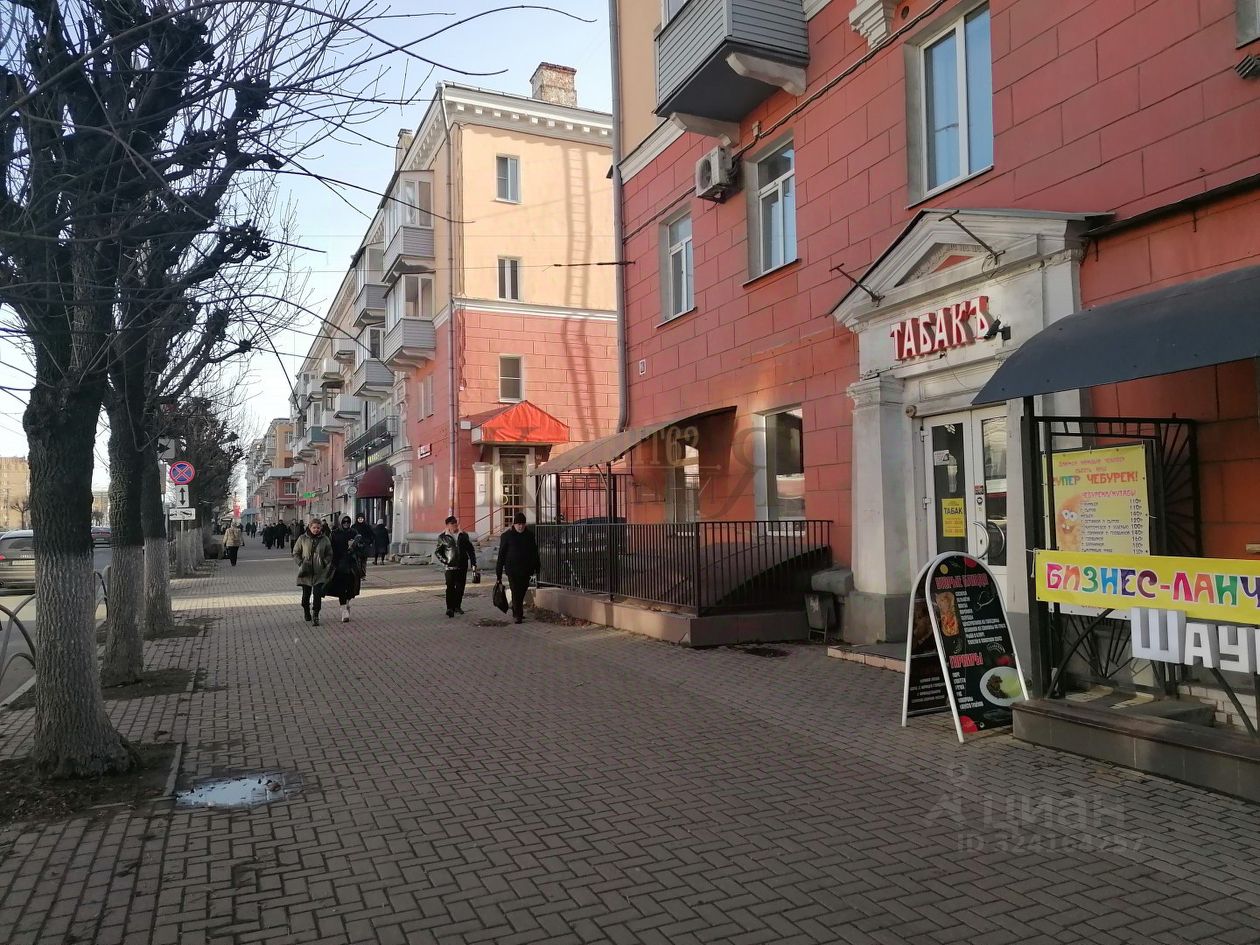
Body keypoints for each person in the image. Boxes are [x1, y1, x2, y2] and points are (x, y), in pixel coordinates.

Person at [496, 512, 540, 624]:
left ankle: (516, 609)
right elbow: (501, 555)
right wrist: (498, 573)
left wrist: (537, 567)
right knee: (515, 591)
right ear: (514, 524)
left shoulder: (529, 536)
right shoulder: (507, 536)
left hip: (526, 569)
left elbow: (534, 552)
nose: (520, 526)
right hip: (512, 570)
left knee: (522, 591)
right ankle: (518, 615)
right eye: (518, 524)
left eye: (522, 524)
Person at [435, 515, 478, 618]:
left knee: (460, 587)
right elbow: (438, 552)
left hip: (462, 565)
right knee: (450, 587)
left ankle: (457, 606)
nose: (455, 525)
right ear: (447, 525)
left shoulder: (463, 535)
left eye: (456, 523)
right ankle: (449, 608)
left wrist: (473, 563)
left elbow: (470, 550)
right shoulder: (443, 537)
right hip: (450, 567)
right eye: (452, 523)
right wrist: (445, 561)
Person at [293, 519, 333, 625]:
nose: (316, 530)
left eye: (318, 528)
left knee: (317, 595)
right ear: (310, 527)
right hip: (306, 571)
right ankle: (306, 610)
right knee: (305, 596)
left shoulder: (325, 539)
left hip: (319, 572)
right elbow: (296, 552)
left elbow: (329, 553)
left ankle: (316, 615)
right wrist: (301, 563)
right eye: (314, 527)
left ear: (321, 528)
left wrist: (324, 562)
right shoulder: (302, 538)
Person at [325, 515, 365, 623]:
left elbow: (361, 547)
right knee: (341, 588)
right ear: (340, 522)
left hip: (352, 564)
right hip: (339, 565)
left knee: (352, 587)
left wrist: (355, 546)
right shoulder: (334, 533)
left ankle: (347, 603)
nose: (346, 524)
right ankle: (343, 609)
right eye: (344, 522)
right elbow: (329, 548)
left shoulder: (354, 532)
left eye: (348, 522)